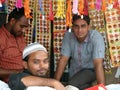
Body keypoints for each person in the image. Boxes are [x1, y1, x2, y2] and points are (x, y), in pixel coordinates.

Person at [54, 14, 105, 89]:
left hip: (91, 70)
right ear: (72, 27)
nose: (79, 30)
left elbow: (98, 64)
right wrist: (54, 83)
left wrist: (102, 87)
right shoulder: (68, 36)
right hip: (75, 71)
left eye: (83, 26)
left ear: (88, 27)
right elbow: (63, 60)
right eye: (76, 26)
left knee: (71, 85)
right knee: (80, 86)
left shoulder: (96, 37)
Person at [0, 7, 29, 83]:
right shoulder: (1, 38)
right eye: (21, 26)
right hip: (9, 83)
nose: (23, 30)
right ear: (12, 21)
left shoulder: (19, 34)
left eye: (25, 27)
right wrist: (17, 73)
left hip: (25, 79)